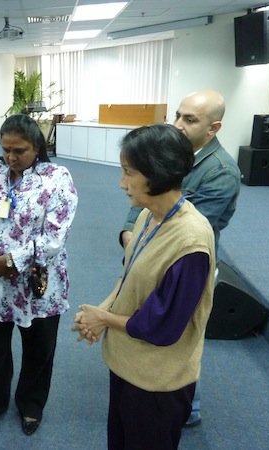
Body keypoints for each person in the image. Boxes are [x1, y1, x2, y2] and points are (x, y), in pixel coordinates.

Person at [74, 124, 216, 450]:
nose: (121, 183)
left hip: (156, 383)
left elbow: (162, 327)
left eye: (129, 173)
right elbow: (129, 276)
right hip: (126, 365)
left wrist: (105, 320)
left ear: (159, 173)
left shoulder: (190, 242)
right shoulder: (147, 216)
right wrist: (103, 309)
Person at [119, 89, 241, 427]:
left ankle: (187, 406)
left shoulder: (221, 171)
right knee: (150, 320)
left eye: (190, 119)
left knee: (180, 332)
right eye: (178, 115)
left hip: (187, 262)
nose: (178, 125)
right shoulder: (170, 152)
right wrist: (132, 239)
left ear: (213, 128)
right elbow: (147, 209)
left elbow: (183, 224)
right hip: (148, 251)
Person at [0, 114, 78, 436]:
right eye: (6, 150)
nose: (11, 158)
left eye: (20, 151)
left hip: (39, 283)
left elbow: (56, 236)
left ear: (37, 146)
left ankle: (31, 405)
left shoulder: (57, 177)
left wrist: (12, 260)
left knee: (39, 350)